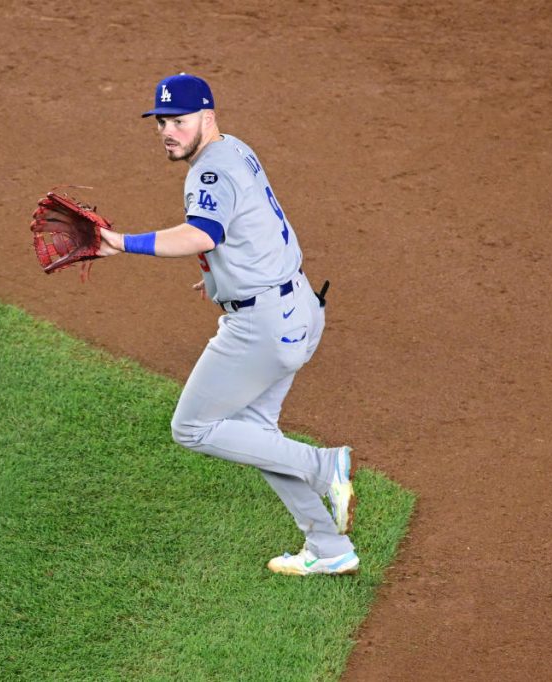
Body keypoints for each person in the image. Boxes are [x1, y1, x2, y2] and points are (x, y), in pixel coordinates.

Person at [97, 73, 357, 576]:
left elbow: (201, 234)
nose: (169, 131)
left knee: (191, 428)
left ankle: (324, 466)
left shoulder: (207, 174)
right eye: (162, 122)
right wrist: (226, 278)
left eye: (180, 121)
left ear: (207, 118)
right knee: (254, 430)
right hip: (296, 306)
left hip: (261, 327)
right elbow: (248, 228)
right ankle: (329, 548)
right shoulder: (236, 149)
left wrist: (121, 242)